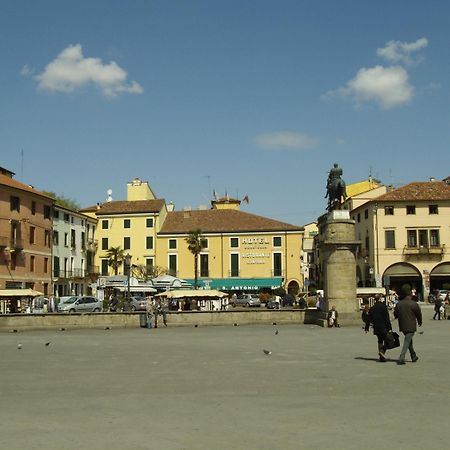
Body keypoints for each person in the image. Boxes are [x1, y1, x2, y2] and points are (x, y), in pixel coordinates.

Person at [394, 287, 422, 365]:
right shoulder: (414, 304)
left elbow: (395, 314)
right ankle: (401, 358)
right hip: (411, 325)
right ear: (410, 295)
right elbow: (418, 314)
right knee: (407, 341)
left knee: (408, 340)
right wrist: (420, 322)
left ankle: (413, 356)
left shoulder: (399, 304)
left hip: (402, 325)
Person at [364, 295, 392, 362]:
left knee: (380, 341)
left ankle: (381, 357)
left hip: (376, 327)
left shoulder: (372, 308)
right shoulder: (383, 307)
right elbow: (386, 318)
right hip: (384, 327)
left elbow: (368, 319)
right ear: (380, 299)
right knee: (388, 340)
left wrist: (366, 328)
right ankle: (382, 352)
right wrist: (389, 327)